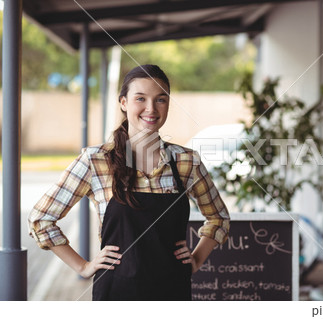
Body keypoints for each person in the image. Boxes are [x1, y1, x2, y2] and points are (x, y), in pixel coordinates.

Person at [28, 64, 230, 301]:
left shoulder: (187, 162)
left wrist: (195, 260)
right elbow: (41, 219)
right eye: (140, 98)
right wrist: (83, 267)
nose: (151, 108)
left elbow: (219, 217)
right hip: (116, 293)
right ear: (123, 102)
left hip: (172, 292)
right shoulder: (96, 161)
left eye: (160, 100)